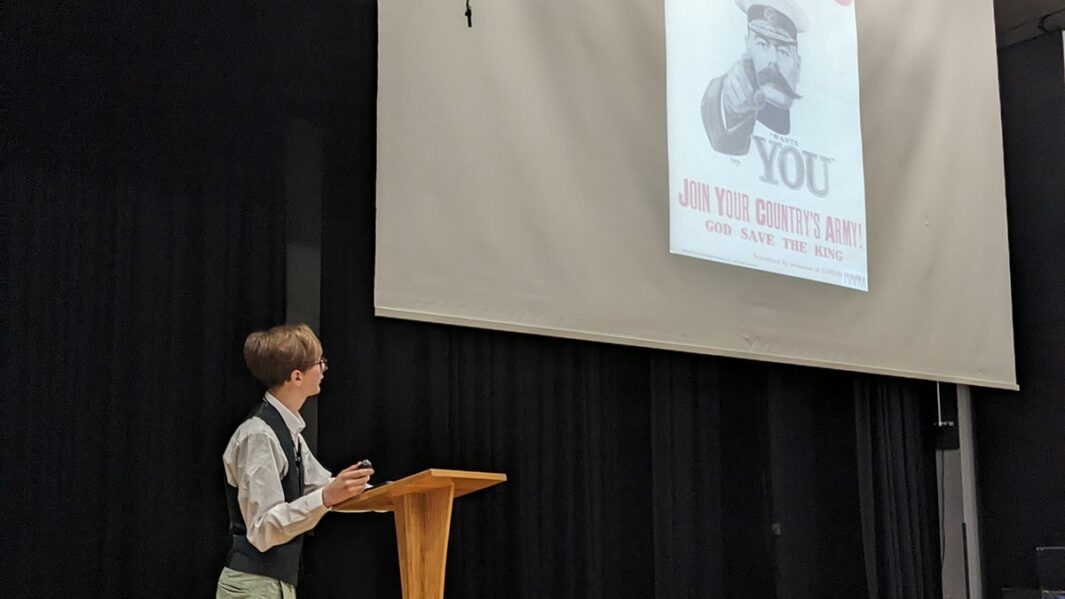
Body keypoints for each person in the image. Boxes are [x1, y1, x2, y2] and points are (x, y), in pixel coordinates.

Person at [216, 324, 373, 598]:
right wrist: (327, 496)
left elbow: (323, 485)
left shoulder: (289, 434)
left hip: (273, 585)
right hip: (252, 585)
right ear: (297, 377)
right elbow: (263, 528)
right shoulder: (258, 435)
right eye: (319, 362)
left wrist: (389, 493)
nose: (324, 369)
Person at [701, 0, 809, 155]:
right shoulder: (724, 93)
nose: (773, 60)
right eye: (762, 44)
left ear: (797, 67)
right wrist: (731, 108)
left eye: (783, 52)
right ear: (747, 46)